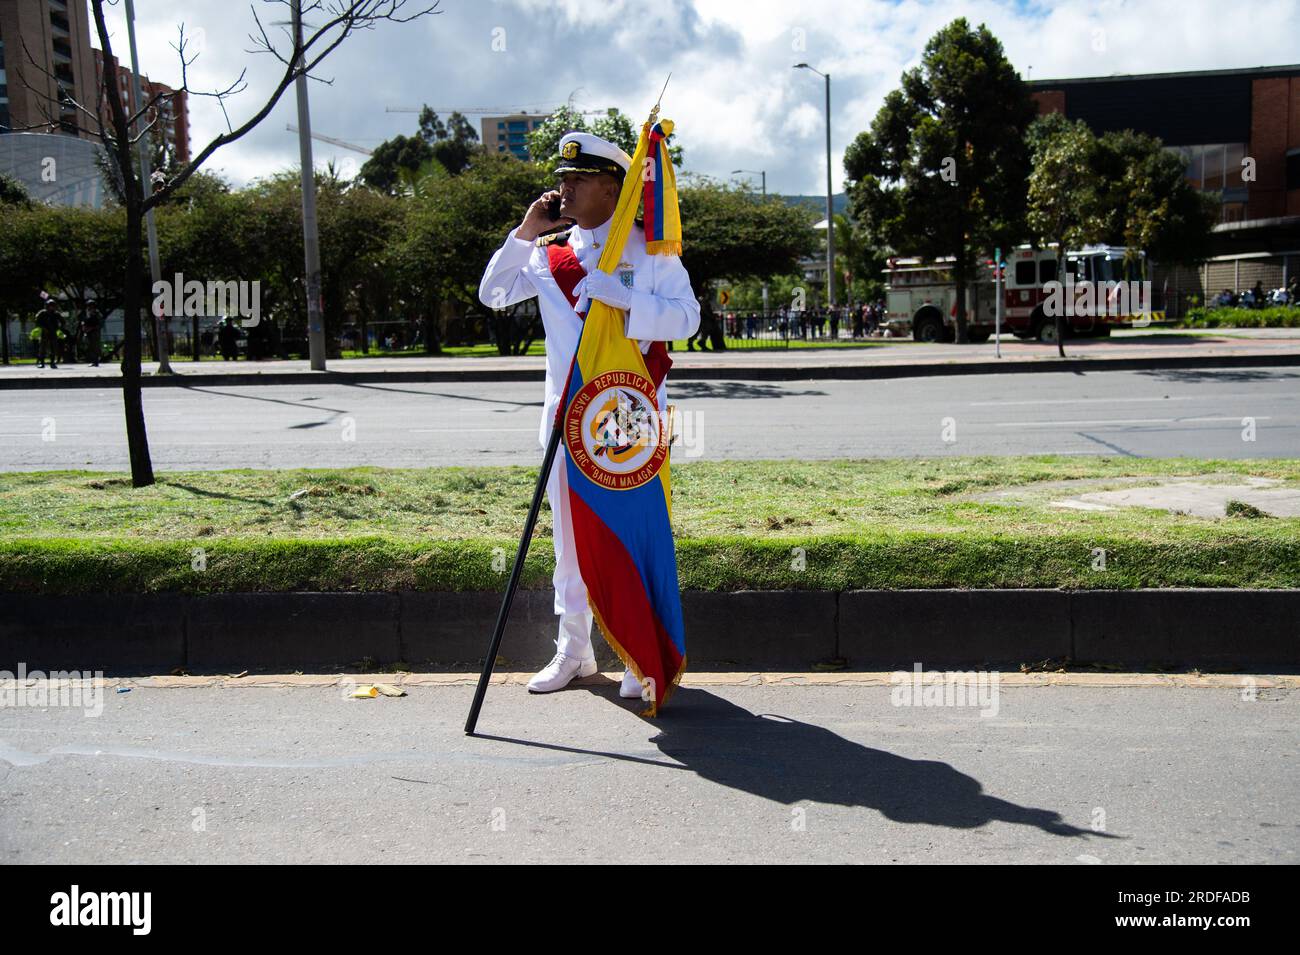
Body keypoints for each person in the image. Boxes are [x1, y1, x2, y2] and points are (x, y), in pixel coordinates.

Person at [477, 131, 701, 699]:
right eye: (562, 178)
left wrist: (626, 300)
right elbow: (493, 294)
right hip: (565, 417)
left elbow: (688, 318)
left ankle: (636, 650)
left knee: (632, 530)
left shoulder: (650, 251)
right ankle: (573, 650)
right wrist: (527, 231)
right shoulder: (553, 253)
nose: (564, 188)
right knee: (570, 539)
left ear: (611, 187)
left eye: (577, 180)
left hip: (629, 416)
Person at [34, 299, 63, 368]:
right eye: (50, 306)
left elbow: (62, 321)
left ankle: (52, 362)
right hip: (44, 333)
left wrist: (58, 328)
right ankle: (42, 362)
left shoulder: (56, 314)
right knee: (42, 348)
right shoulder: (42, 313)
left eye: (53, 306)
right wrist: (43, 328)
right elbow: (37, 321)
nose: (51, 307)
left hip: (53, 333)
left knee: (53, 348)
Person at [81, 302, 103, 366]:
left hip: (95, 332)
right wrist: (84, 326)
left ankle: (96, 361)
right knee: (90, 347)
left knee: (95, 346)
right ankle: (93, 360)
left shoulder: (97, 313)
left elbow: (100, 323)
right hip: (88, 332)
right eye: (89, 306)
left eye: (91, 306)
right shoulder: (87, 313)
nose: (90, 307)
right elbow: (84, 321)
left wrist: (92, 328)